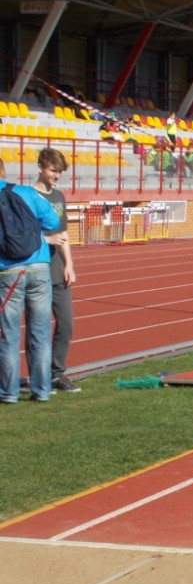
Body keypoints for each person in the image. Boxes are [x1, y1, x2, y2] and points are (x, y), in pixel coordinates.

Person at [0, 157, 61, 404]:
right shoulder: (26, 192)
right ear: (4, 170)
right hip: (38, 266)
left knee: (8, 335)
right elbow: (53, 221)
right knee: (40, 333)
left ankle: (9, 392)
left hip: (8, 271)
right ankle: (42, 390)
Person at [33, 148, 80, 393]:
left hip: (59, 269)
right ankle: (39, 377)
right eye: (53, 170)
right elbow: (22, 235)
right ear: (40, 167)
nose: (56, 176)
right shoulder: (28, 196)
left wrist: (69, 264)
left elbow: (63, 233)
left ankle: (56, 374)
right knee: (38, 328)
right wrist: (46, 240)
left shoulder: (59, 196)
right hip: (37, 269)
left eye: (60, 172)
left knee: (66, 324)